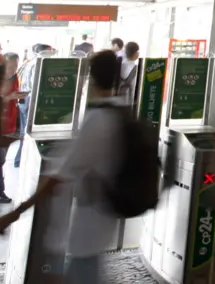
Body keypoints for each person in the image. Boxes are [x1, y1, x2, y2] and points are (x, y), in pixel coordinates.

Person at [0, 50, 126, 283]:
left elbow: (59, 177)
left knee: (79, 273)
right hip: (102, 221)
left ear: (92, 79)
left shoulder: (97, 120)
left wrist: (16, 213)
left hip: (87, 226)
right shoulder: (120, 112)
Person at [0, 53, 20, 203]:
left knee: (2, 161)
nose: (13, 69)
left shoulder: (14, 79)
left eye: (15, 66)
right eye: (10, 66)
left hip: (8, 126)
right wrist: (8, 98)